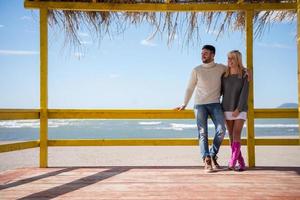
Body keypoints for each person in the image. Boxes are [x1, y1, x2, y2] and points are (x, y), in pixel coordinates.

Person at [175, 45, 227, 172]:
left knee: (221, 130)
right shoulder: (196, 70)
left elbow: (236, 69)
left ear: (213, 55)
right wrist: (184, 103)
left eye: (206, 53)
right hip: (200, 105)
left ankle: (212, 154)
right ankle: (207, 159)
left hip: (215, 103)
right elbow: (190, 88)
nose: (203, 55)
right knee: (202, 132)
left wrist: (247, 71)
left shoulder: (221, 68)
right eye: (202, 53)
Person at [221, 50, 249, 171]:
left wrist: (239, 108)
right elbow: (220, 92)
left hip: (240, 109)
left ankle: (232, 160)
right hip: (226, 108)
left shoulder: (244, 74)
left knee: (237, 133)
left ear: (238, 60)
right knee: (231, 136)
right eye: (228, 58)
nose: (229, 61)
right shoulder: (224, 75)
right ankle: (241, 162)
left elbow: (245, 93)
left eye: (232, 58)